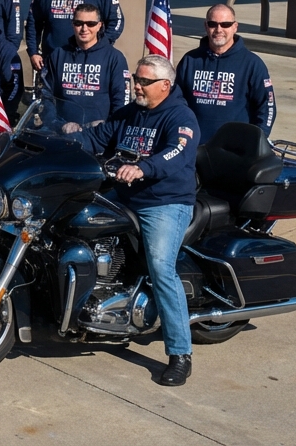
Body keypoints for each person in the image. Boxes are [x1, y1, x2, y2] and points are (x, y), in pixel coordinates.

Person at [73, 54, 199, 387]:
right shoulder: (130, 113)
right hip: (124, 195)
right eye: (135, 80)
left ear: (165, 85)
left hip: (164, 202)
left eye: (144, 81)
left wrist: (143, 168)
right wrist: (61, 139)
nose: (136, 86)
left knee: (161, 267)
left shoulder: (180, 117)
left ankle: (180, 354)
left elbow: (176, 153)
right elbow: (98, 137)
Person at [175, 4, 276, 141]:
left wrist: (258, 140)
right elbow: (177, 101)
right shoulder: (190, 60)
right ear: (206, 26)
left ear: (235, 27)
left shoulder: (252, 63)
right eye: (213, 24)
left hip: (234, 147)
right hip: (194, 145)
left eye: (225, 24)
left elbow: (267, 107)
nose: (219, 29)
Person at [41, 4, 129, 125]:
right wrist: (58, 125)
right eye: (78, 23)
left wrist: (106, 128)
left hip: (99, 133)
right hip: (62, 132)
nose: (84, 28)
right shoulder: (58, 55)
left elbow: (121, 103)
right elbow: (46, 95)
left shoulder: (115, 58)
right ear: (72, 24)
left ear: (99, 25)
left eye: (90, 24)